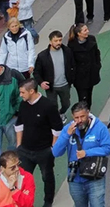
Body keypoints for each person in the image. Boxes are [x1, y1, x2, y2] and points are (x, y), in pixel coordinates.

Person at [51, 101, 110, 207]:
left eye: (82, 116)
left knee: (97, 204)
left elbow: (107, 148)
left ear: (88, 113)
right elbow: (56, 152)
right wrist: (67, 135)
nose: (79, 120)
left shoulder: (100, 128)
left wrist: (87, 153)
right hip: (75, 178)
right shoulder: (68, 130)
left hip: (95, 176)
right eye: (76, 118)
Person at [15, 79, 62, 207]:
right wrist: (19, 145)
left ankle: (48, 202)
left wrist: (52, 148)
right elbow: (19, 125)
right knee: (22, 179)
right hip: (25, 151)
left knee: (47, 177)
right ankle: (23, 201)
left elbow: (57, 129)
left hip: (44, 151)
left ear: (32, 91)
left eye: (22, 92)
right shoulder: (23, 105)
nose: (21, 95)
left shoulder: (48, 106)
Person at [34, 30, 75, 124]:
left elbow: (73, 65)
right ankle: (56, 119)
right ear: (50, 42)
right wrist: (41, 82)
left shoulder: (67, 51)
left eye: (60, 40)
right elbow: (36, 72)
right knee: (52, 105)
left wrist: (71, 79)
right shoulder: (42, 56)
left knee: (66, 103)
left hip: (65, 84)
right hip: (51, 86)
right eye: (56, 41)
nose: (58, 43)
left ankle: (61, 113)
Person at [67, 23, 101, 109]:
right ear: (79, 33)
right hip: (80, 77)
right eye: (85, 30)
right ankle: (83, 113)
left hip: (91, 73)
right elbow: (71, 61)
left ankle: (87, 111)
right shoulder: (72, 45)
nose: (88, 31)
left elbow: (97, 53)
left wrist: (97, 66)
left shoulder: (92, 39)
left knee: (89, 94)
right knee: (82, 97)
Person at [0, 63, 23, 152]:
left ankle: (12, 164)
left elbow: (22, 94)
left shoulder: (14, 75)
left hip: (10, 118)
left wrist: (17, 112)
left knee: (13, 146)